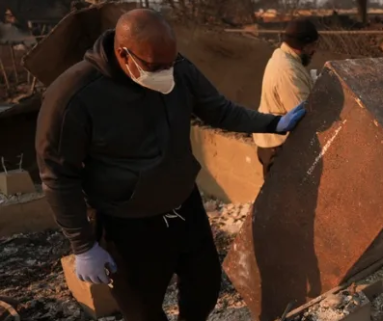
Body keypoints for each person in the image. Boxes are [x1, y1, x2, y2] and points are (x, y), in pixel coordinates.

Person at [35, 9, 306, 321]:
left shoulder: (177, 68)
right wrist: (83, 245)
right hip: (127, 223)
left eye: (171, 63)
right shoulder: (73, 97)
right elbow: (58, 175)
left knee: (204, 289)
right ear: (124, 55)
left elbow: (219, 110)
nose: (167, 72)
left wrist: (273, 123)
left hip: (182, 207)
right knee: (144, 310)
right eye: (156, 66)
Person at [252, 18, 319, 177]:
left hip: (276, 144)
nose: (314, 51)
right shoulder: (288, 71)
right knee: (284, 200)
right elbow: (304, 117)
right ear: (304, 46)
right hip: (278, 149)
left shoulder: (282, 56)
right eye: (313, 46)